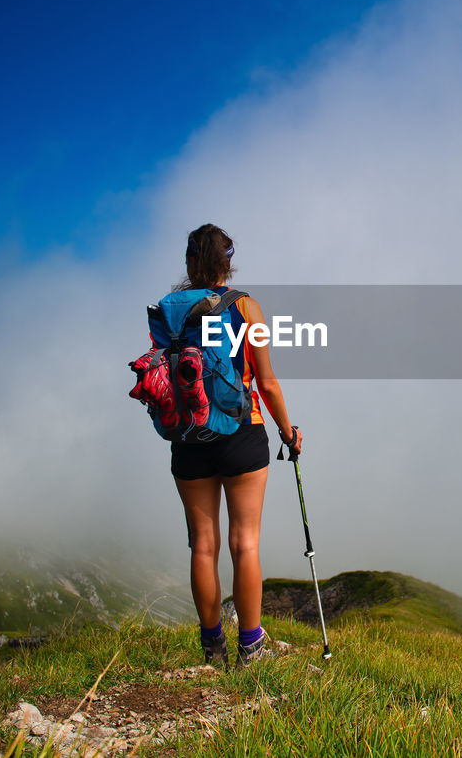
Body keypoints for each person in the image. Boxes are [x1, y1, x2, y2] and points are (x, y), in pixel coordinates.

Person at [166, 223, 303, 670]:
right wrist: (288, 432)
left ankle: (211, 648)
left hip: (188, 438)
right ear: (228, 263)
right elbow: (265, 381)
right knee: (245, 544)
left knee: (203, 546)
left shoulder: (169, 308)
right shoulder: (246, 307)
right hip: (243, 435)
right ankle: (250, 646)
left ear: (189, 261)